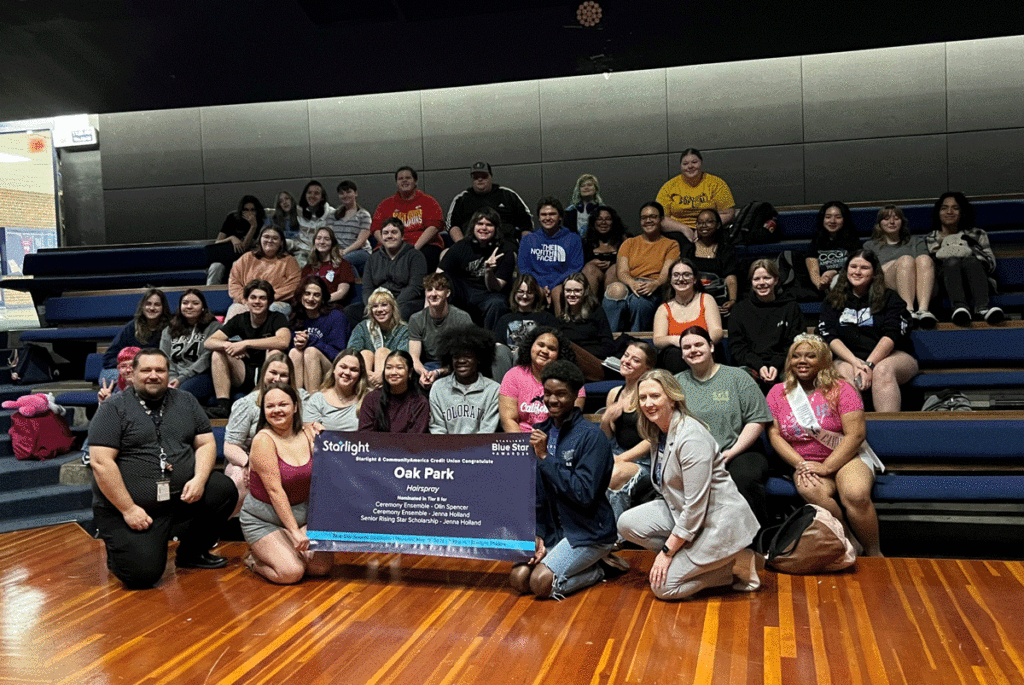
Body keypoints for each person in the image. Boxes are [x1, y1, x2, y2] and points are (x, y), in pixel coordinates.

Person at [89, 349, 237, 589]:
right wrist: (128, 509)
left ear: (169, 374)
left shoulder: (186, 400)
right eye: (146, 370)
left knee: (222, 489)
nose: (153, 375)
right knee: (142, 576)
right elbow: (100, 462)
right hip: (130, 509)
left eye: (160, 370)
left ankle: (192, 554)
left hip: (178, 501)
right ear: (132, 374)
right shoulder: (113, 408)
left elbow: (206, 442)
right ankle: (120, 553)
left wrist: (199, 479)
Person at [618, 369, 760, 600]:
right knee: (626, 524)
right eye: (643, 398)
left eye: (655, 396)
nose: (648, 403)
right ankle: (703, 563)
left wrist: (667, 552)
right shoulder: (659, 431)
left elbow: (695, 507)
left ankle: (730, 569)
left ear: (672, 398)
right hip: (684, 512)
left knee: (663, 588)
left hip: (715, 520)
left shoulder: (691, 436)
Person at [509, 361, 626, 599]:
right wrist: (538, 533)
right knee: (519, 579)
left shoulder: (592, 437)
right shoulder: (538, 433)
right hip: (553, 530)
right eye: (548, 393)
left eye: (561, 394)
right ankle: (577, 560)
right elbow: (535, 493)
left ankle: (599, 568)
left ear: (575, 396)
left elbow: (584, 493)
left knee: (541, 584)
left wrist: (544, 457)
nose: (553, 400)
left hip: (587, 531)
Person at [767, 334, 882, 556]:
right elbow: (775, 436)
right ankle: (849, 541)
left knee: (856, 495)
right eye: (796, 356)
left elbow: (856, 435)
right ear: (789, 361)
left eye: (811, 356)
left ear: (823, 361)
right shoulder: (777, 393)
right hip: (806, 462)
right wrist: (801, 464)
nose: (802, 361)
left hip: (847, 457)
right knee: (809, 489)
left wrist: (828, 466)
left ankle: (875, 552)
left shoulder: (842, 388)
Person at [673, 326, 774, 525]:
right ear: (682, 354)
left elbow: (757, 419)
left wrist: (731, 452)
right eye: (687, 347)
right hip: (694, 455)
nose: (693, 350)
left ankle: (758, 541)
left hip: (739, 450)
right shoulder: (676, 383)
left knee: (744, 478)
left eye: (698, 344)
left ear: (711, 347)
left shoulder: (737, 377)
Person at [241, 382, 334, 584]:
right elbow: (275, 491)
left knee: (320, 568)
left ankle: (285, 543)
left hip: (303, 515)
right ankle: (254, 560)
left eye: (282, 404)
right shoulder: (263, 440)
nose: (276, 410)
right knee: (291, 572)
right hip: (264, 519)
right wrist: (293, 532)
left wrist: (326, 434)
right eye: (270, 406)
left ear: (295, 406)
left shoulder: (310, 433)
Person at [817, 250, 918, 412]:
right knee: (844, 371)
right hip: (847, 358)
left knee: (882, 370)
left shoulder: (890, 298)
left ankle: (888, 432)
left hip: (892, 356)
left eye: (864, 268)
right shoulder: (832, 300)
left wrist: (869, 365)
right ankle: (856, 433)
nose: (857, 272)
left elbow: (892, 334)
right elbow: (828, 335)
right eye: (853, 266)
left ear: (874, 273)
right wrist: (855, 362)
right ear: (846, 270)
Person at [223, 352, 308, 516]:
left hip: (289, 458)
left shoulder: (302, 399)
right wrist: (249, 464)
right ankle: (224, 530)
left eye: (283, 375)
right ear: (264, 374)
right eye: (273, 373)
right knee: (241, 478)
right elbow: (230, 446)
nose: (277, 378)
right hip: (248, 459)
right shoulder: (247, 404)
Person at [205, 279, 292, 419]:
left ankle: (270, 399)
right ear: (246, 300)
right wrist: (231, 346)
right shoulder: (240, 319)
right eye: (253, 297)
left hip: (269, 371)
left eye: (262, 298)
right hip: (245, 372)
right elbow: (209, 342)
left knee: (275, 351)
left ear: (269, 302)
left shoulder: (277, 317)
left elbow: (283, 341)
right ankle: (223, 407)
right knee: (217, 353)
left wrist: (245, 343)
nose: (257, 301)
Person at [923, 192, 1002, 326]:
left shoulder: (977, 234)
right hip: (946, 284)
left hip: (976, 278)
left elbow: (990, 264)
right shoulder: (931, 238)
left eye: (955, 208)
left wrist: (968, 251)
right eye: (944, 208)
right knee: (952, 261)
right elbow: (931, 267)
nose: (949, 212)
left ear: (962, 212)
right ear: (938, 212)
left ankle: (982, 309)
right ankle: (960, 309)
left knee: (970, 261)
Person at [727, 259, 805, 391]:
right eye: (756, 279)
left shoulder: (791, 307)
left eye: (767, 278)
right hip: (751, 365)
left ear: (775, 280)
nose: (762, 283)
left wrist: (776, 365)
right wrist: (759, 366)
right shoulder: (740, 310)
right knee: (742, 378)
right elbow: (738, 347)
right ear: (751, 282)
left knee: (793, 377)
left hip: (784, 363)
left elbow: (795, 343)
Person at [601, 341, 657, 524]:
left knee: (614, 473)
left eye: (635, 360)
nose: (626, 361)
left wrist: (622, 458)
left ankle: (616, 535)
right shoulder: (614, 393)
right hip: (618, 453)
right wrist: (605, 420)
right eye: (626, 355)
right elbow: (609, 438)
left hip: (645, 461)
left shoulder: (648, 395)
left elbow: (652, 439)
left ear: (646, 368)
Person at [603, 202, 680, 332]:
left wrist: (655, 284)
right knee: (615, 289)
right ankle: (611, 338)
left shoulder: (671, 244)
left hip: (654, 287)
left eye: (653, 217)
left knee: (639, 300)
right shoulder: (629, 243)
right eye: (644, 218)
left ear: (661, 219)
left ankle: (636, 342)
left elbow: (666, 273)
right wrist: (631, 283)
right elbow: (622, 271)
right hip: (630, 283)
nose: (648, 220)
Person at [437, 206, 516, 330]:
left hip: (488, 293)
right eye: (480, 223)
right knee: (444, 281)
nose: (484, 228)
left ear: (495, 229)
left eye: (489, 225)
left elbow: (496, 287)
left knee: (498, 303)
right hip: (463, 291)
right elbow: (438, 274)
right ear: (473, 226)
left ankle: (491, 342)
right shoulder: (461, 246)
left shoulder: (505, 250)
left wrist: (489, 271)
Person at [863, 205, 937, 328]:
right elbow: (871, 272)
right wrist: (897, 264)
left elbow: (925, 265)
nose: (891, 222)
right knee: (906, 260)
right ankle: (908, 310)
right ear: (879, 224)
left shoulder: (915, 241)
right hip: (887, 283)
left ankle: (923, 310)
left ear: (902, 222)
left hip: (920, 284)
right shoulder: (870, 246)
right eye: (886, 219)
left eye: (896, 218)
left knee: (923, 258)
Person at [499, 327, 584, 433]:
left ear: (559, 354)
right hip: (522, 440)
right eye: (541, 345)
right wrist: (522, 445)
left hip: (557, 440)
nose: (544, 351)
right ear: (530, 346)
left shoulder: (570, 378)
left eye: (551, 348)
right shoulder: (513, 375)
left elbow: (570, 421)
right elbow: (508, 420)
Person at [352, 217, 429, 323]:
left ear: (402, 236)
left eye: (394, 232)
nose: (389, 236)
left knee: (403, 311)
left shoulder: (415, 256)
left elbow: (415, 287)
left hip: (405, 301)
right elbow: (367, 288)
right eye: (385, 233)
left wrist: (392, 305)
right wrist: (374, 306)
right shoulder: (373, 258)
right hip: (378, 302)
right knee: (350, 312)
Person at [653, 257, 723, 373]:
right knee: (674, 355)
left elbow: (717, 332)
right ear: (670, 280)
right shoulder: (663, 309)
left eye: (686, 274)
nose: (681, 279)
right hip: (676, 359)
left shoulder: (706, 300)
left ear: (695, 279)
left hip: (704, 356)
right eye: (676, 275)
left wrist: (697, 345)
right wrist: (677, 340)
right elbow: (658, 340)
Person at [517, 197, 584, 314]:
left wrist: (552, 287)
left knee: (557, 292)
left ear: (560, 217)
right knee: (530, 290)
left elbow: (575, 267)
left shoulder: (573, 239)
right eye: (543, 214)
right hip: (535, 283)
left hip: (562, 283)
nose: (547, 218)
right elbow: (524, 268)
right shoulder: (528, 239)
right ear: (538, 217)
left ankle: (562, 328)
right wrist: (542, 286)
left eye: (552, 214)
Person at [371, 166, 445, 271]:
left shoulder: (428, 201)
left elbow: (434, 227)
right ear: (396, 183)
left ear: (415, 181)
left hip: (423, 246)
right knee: (376, 260)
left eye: (408, 178)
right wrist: (388, 246)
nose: (404, 180)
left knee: (422, 259)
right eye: (400, 179)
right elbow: (375, 228)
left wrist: (413, 249)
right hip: (391, 245)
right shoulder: (385, 204)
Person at [429, 326, 500, 434]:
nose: (461, 360)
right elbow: (437, 428)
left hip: (481, 449)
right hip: (446, 449)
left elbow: (488, 430)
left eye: (468, 356)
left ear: (479, 359)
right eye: (456, 357)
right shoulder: (438, 388)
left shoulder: (493, 390)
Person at [656, 148, 736, 243]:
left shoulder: (717, 183)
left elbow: (728, 213)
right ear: (681, 166)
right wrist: (684, 229)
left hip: (710, 228)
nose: (690, 166)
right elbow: (660, 218)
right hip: (678, 230)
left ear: (701, 163)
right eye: (685, 164)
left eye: (694, 162)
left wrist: (704, 228)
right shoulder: (669, 186)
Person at [408, 273, 473, 389]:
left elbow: (468, 357)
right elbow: (414, 358)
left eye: (438, 289)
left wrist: (439, 372)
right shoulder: (416, 319)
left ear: (447, 293)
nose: (433, 294)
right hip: (429, 366)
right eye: (429, 290)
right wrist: (424, 373)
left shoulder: (462, 318)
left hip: (455, 366)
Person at [288, 275, 352, 393]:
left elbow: (338, 355)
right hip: (303, 368)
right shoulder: (296, 316)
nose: (311, 298)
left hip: (332, 368)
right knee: (294, 352)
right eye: (307, 294)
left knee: (311, 352)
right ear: (301, 295)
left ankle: (314, 402)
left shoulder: (336, 317)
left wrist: (311, 341)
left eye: (316, 295)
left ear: (323, 298)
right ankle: (297, 398)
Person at [445, 161, 533, 244]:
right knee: (444, 254)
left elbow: (526, 222)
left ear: (491, 177)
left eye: (484, 176)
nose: (480, 179)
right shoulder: (461, 199)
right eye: (476, 177)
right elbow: (452, 225)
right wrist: (462, 246)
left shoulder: (507, 195)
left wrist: (526, 246)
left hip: (505, 244)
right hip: (471, 246)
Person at [227, 224, 302, 319]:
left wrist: (265, 299)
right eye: (266, 237)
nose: (270, 241)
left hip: (276, 302)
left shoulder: (289, 261)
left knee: (273, 310)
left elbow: (293, 286)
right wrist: (247, 300)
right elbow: (234, 283)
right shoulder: (246, 258)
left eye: (275, 238)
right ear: (260, 239)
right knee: (235, 310)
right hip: (246, 302)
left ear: (281, 242)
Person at [160, 288, 220, 403]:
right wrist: (172, 378)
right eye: (185, 303)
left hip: (202, 375)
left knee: (179, 395)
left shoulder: (213, 327)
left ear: (203, 307)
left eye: (195, 303)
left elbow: (206, 358)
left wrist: (182, 378)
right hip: (173, 376)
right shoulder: (169, 330)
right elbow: (164, 357)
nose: (189, 306)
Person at [101, 288, 171, 385]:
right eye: (148, 304)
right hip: (129, 370)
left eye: (157, 304)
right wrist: (129, 365)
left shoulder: (170, 329)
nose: (152, 308)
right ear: (142, 306)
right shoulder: (131, 327)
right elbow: (108, 358)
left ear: (163, 308)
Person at [678, 208, 738, 318]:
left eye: (709, 222)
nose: (703, 225)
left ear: (718, 225)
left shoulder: (725, 250)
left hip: (718, 298)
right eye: (700, 223)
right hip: (692, 300)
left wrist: (732, 300)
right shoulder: (688, 250)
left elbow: (730, 278)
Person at [347, 287, 410, 388]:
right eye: (375, 306)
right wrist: (367, 374)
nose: (379, 310)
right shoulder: (363, 327)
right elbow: (351, 352)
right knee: (365, 353)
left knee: (382, 352)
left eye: (384, 305)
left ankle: (377, 391)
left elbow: (404, 357)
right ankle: (367, 388)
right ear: (370, 310)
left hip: (392, 376)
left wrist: (382, 373)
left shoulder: (403, 330)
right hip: (364, 376)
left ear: (393, 308)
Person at [556, 272, 614, 381]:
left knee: (567, 345)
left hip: (595, 364)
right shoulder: (561, 319)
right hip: (570, 366)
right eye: (568, 290)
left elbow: (608, 346)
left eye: (577, 291)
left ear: (585, 292)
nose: (572, 294)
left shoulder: (597, 312)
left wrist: (581, 352)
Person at [358, 350, 429, 433]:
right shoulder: (371, 399)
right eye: (388, 367)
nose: (393, 372)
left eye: (399, 368)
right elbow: (364, 436)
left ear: (410, 372)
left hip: (407, 446)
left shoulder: (420, 402)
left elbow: (415, 440)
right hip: (376, 445)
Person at [303, 349, 369, 432]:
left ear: (360, 375)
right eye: (343, 367)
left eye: (354, 370)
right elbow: (308, 435)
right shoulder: (318, 400)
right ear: (334, 369)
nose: (347, 372)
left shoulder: (368, 399)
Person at [494, 274, 558, 356]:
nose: (525, 296)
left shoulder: (546, 318)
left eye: (529, 292)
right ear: (514, 293)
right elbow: (499, 346)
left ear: (535, 295)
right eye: (520, 292)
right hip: (509, 363)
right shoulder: (504, 319)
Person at [806, 201, 862, 294]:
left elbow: (857, 266)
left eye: (838, 217)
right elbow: (813, 271)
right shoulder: (816, 242)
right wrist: (820, 283)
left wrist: (835, 272)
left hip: (846, 282)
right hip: (822, 287)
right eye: (828, 217)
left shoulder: (854, 241)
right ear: (823, 219)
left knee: (836, 281)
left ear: (844, 220)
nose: (832, 221)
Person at [207, 195, 264, 284]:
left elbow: (244, 246)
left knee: (237, 264)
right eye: (246, 210)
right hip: (225, 255)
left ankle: (237, 292)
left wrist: (253, 226)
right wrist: (232, 238)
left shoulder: (259, 222)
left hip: (243, 257)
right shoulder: (232, 218)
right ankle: (210, 294)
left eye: (252, 210)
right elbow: (217, 242)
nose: (249, 213)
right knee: (215, 267)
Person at [300, 227, 356, 307]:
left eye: (326, 239)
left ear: (332, 243)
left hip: (330, 305)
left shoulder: (343, 265)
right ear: (314, 242)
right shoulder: (309, 267)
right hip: (309, 306)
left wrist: (320, 300)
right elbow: (302, 290)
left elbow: (341, 293)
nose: (322, 242)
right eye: (318, 238)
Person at [325, 180, 372, 274]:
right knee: (348, 267)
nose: (345, 195)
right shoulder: (332, 215)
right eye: (342, 193)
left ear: (356, 193)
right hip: (339, 253)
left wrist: (344, 252)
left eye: (348, 192)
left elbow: (361, 241)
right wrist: (336, 252)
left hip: (360, 252)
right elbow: (329, 236)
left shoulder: (364, 215)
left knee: (343, 262)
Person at [581, 205, 626, 297]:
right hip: (593, 275)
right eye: (599, 219)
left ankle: (610, 307)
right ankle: (589, 307)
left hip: (616, 278)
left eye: (608, 219)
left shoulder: (623, 240)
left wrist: (613, 263)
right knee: (589, 268)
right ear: (594, 222)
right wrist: (591, 262)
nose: (603, 222)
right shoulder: (586, 242)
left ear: (613, 222)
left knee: (614, 269)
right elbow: (577, 264)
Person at [294, 180, 333, 263]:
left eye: (316, 193)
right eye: (309, 193)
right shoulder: (299, 211)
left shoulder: (331, 213)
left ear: (322, 197)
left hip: (322, 251)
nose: (312, 196)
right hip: (303, 251)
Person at [563, 173, 603, 238]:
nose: (586, 188)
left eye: (589, 185)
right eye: (582, 186)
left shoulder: (603, 210)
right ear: (579, 190)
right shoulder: (570, 211)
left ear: (595, 188)